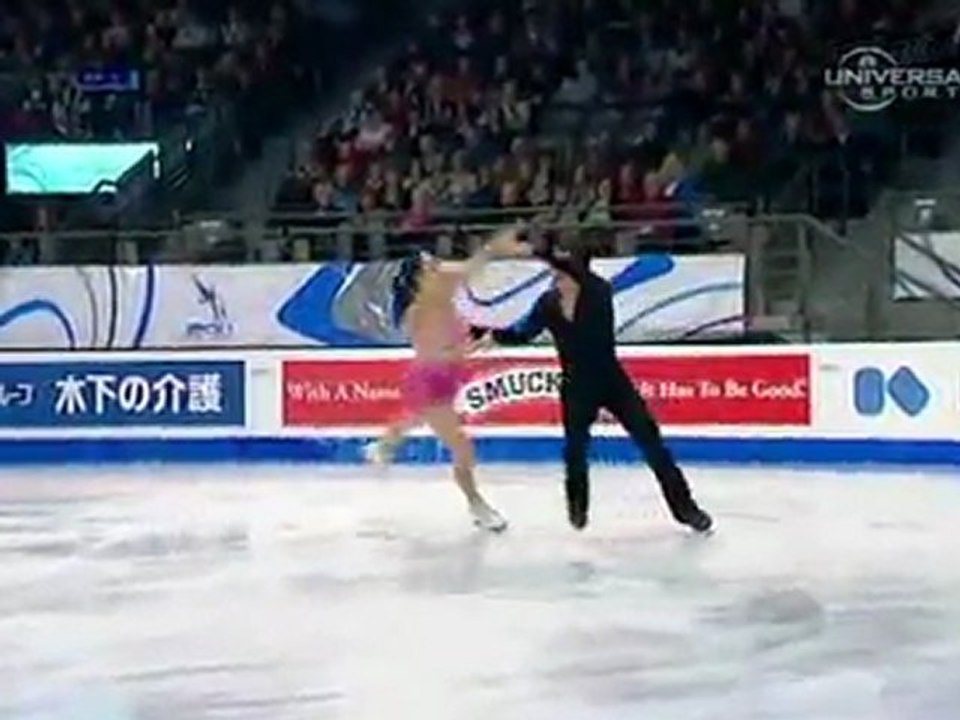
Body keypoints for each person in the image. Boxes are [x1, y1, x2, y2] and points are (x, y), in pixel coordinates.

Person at [470, 237, 713, 533]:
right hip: (576, 386)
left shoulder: (599, 291)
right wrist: (491, 336)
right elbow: (523, 331)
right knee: (575, 451)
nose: (556, 278)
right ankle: (578, 508)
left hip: (613, 381)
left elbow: (567, 267)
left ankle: (686, 510)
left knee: (652, 444)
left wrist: (537, 249)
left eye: (561, 271)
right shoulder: (548, 303)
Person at [364, 227, 530, 532]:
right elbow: (440, 355)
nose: (439, 267)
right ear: (419, 282)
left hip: (443, 378)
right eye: (431, 267)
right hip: (430, 381)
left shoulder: (441, 298)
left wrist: (471, 346)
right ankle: (477, 505)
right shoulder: (422, 309)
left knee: (415, 419)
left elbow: (469, 269)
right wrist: (496, 249)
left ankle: (385, 444)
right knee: (462, 447)